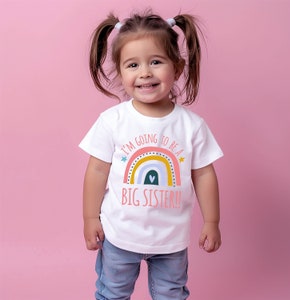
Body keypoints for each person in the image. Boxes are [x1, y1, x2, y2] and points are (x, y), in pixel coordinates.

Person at [79, 10, 223, 300]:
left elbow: (204, 173)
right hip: (119, 235)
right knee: (112, 292)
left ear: (178, 67)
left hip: (170, 241)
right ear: (120, 72)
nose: (145, 72)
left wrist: (212, 222)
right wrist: (89, 217)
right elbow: (96, 170)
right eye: (133, 65)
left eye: (156, 62)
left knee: (171, 294)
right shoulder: (112, 121)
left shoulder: (191, 126)